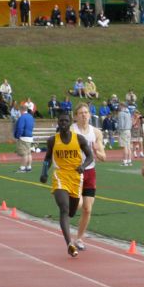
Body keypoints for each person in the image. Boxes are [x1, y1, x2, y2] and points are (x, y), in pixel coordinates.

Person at [39, 113, 93, 257]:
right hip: (60, 175)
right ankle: (69, 243)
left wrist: (83, 166)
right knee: (64, 208)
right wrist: (44, 172)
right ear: (58, 122)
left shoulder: (79, 139)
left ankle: (69, 232)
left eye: (65, 121)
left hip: (76, 176)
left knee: (72, 212)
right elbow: (47, 158)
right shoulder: (52, 140)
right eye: (61, 120)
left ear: (70, 122)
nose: (63, 123)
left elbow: (90, 156)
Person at [70, 103, 107, 251]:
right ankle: (67, 207)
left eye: (86, 112)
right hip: (75, 172)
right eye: (81, 113)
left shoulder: (96, 132)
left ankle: (78, 238)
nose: (84, 115)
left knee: (87, 209)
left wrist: (98, 152)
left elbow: (104, 157)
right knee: (77, 205)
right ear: (76, 116)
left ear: (90, 115)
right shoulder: (72, 131)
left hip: (90, 172)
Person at [13, 104, 34, 173]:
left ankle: (22, 168)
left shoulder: (22, 117)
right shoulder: (31, 117)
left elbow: (20, 128)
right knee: (29, 153)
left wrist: (17, 136)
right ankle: (29, 167)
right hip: (30, 136)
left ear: (21, 110)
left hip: (23, 137)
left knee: (24, 154)